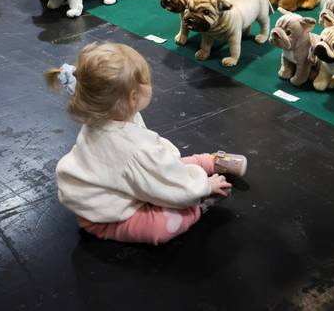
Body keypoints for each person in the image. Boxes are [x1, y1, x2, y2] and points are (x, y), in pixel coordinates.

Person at [45, 42, 247, 245]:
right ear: (133, 97)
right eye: (147, 81)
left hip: (118, 179)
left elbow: (152, 166)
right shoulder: (132, 148)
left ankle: (206, 161)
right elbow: (163, 178)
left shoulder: (103, 112)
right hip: (105, 217)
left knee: (158, 166)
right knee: (160, 228)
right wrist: (204, 187)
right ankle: (197, 206)